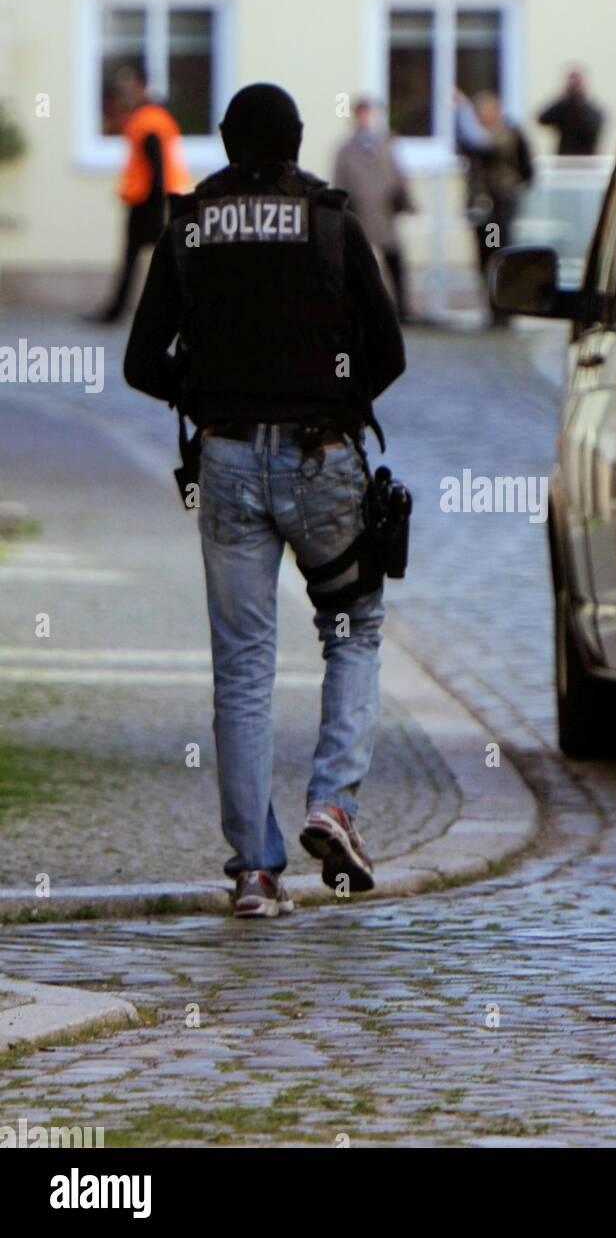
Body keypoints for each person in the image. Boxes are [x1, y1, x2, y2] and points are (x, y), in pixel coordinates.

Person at [123, 83, 405, 919]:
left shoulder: (191, 225)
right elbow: (387, 350)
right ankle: (333, 804)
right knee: (353, 629)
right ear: (297, 143)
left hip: (227, 460)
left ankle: (254, 871)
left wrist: (208, 395)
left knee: (242, 668)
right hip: (323, 457)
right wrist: (335, 393)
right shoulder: (329, 221)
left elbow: (143, 361)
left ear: (221, 140)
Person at [87, 62, 189, 324]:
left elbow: (156, 164)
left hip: (148, 200)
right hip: (152, 198)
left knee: (143, 257)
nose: (125, 92)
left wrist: (155, 202)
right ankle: (122, 310)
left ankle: (118, 311)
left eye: (129, 85)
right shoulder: (152, 116)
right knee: (159, 256)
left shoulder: (148, 120)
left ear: (141, 86)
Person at [453, 88, 533, 327]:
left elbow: (487, 148)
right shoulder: (478, 136)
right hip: (482, 206)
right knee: (484, 256)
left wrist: (462, 109)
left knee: (500, 254)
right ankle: (491, 307)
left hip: (501, 206)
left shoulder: (506, 133)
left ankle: (503, 310)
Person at [333, 98, 417, 324]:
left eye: (369, 114)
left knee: (394, 261)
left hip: (384, 211)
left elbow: (398, 175)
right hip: (361, 213)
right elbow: (340, 181)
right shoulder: (346, 150)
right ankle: (357, 307)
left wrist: (405, 202)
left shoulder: (386, 145)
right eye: (362, 114)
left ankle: (402, 308)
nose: (366, 119)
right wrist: (343, 209)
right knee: (359, 262)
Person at [537, 69, 604, 156]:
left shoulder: (593, 111)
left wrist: (580, 103)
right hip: (564, 158)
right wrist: (563, 100)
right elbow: (542, 119)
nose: (574, 88)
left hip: (587, 160)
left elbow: (592, 129)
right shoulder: (563, 108)